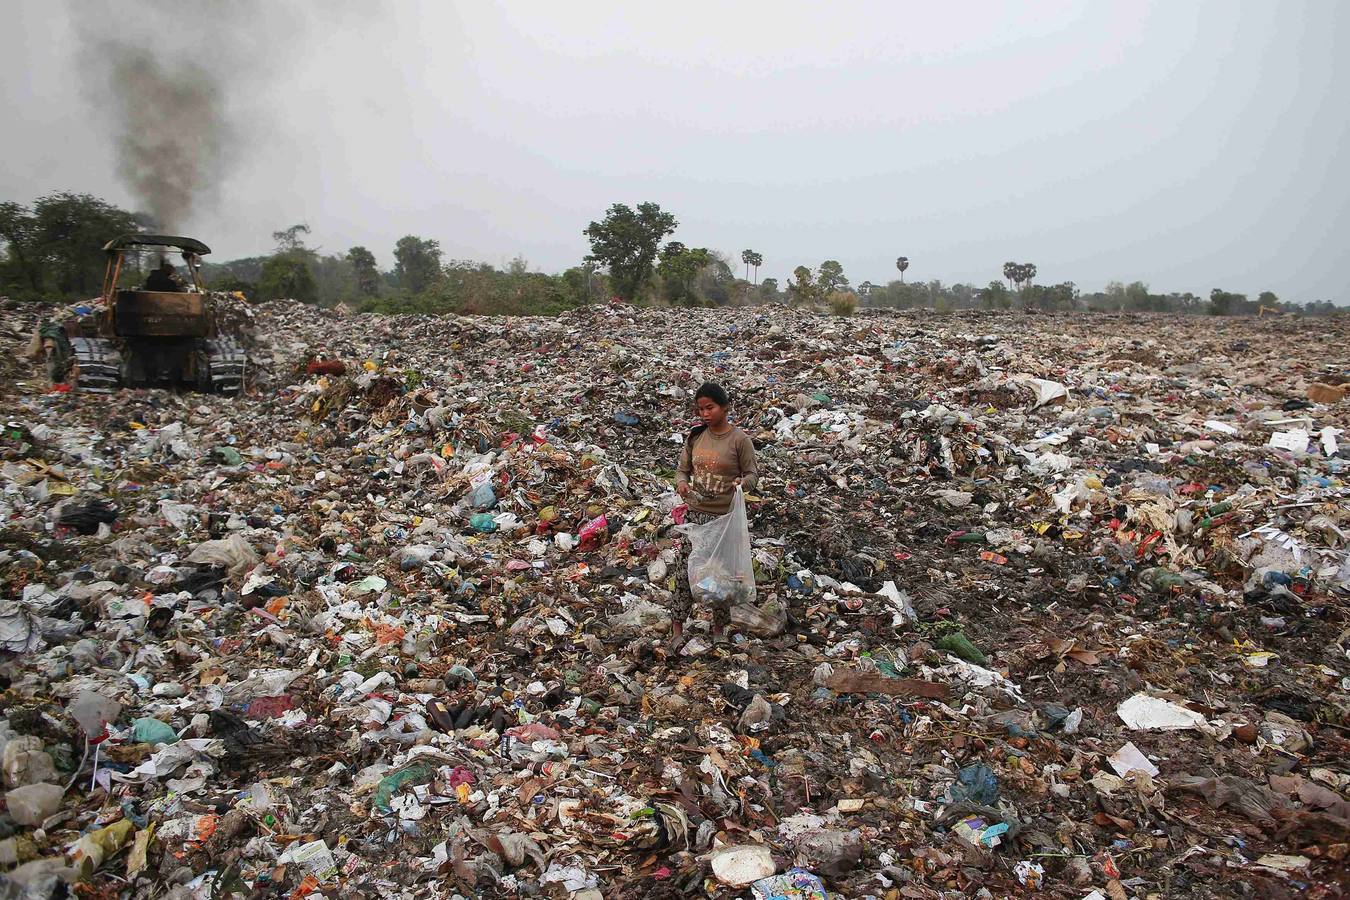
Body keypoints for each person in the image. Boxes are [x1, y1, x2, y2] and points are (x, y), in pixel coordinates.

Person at [671, 382, 759, 646]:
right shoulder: (696, 437)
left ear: (725, 407)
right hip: (697, 517)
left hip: (724, 519)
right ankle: (676, 630)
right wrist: (682, 484)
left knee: (720, 577)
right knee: (685, 572)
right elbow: (681, 470)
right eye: (700, 409)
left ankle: (718, 630)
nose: (705, 414)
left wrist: (742, 484)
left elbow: (752, 474)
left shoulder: (739, 440)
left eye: (710, 407)